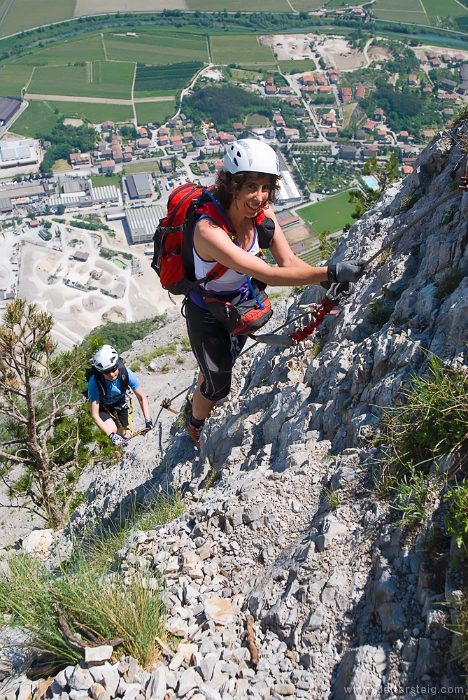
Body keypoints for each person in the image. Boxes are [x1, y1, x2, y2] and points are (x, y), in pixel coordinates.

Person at [183, 138, 365, 447]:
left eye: (266, 187)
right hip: (207, 314)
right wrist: (331, 271)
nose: (259, 197)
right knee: (219, 387)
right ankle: (194, 422)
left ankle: (205, 375)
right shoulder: (208, 230)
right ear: (231, 184)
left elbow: (288, 261)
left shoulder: (261, 214)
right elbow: (267, 273)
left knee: (221, 361)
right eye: (251, 186)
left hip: (240, 305)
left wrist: (327, 283)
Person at [88, 344, 152, 447]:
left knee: (122, 433)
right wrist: (111, 435)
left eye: (113, 369)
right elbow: (94, 414)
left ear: (117, 365)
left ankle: (117, 443)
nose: (112, 374)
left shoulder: (126, 374)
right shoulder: (95, 382)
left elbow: (142, 397)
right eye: (106, 371)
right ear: (101, 371)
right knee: (112, 429)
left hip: (119, 401)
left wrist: (148, 420)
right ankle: (109, 448)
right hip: (102, 406)